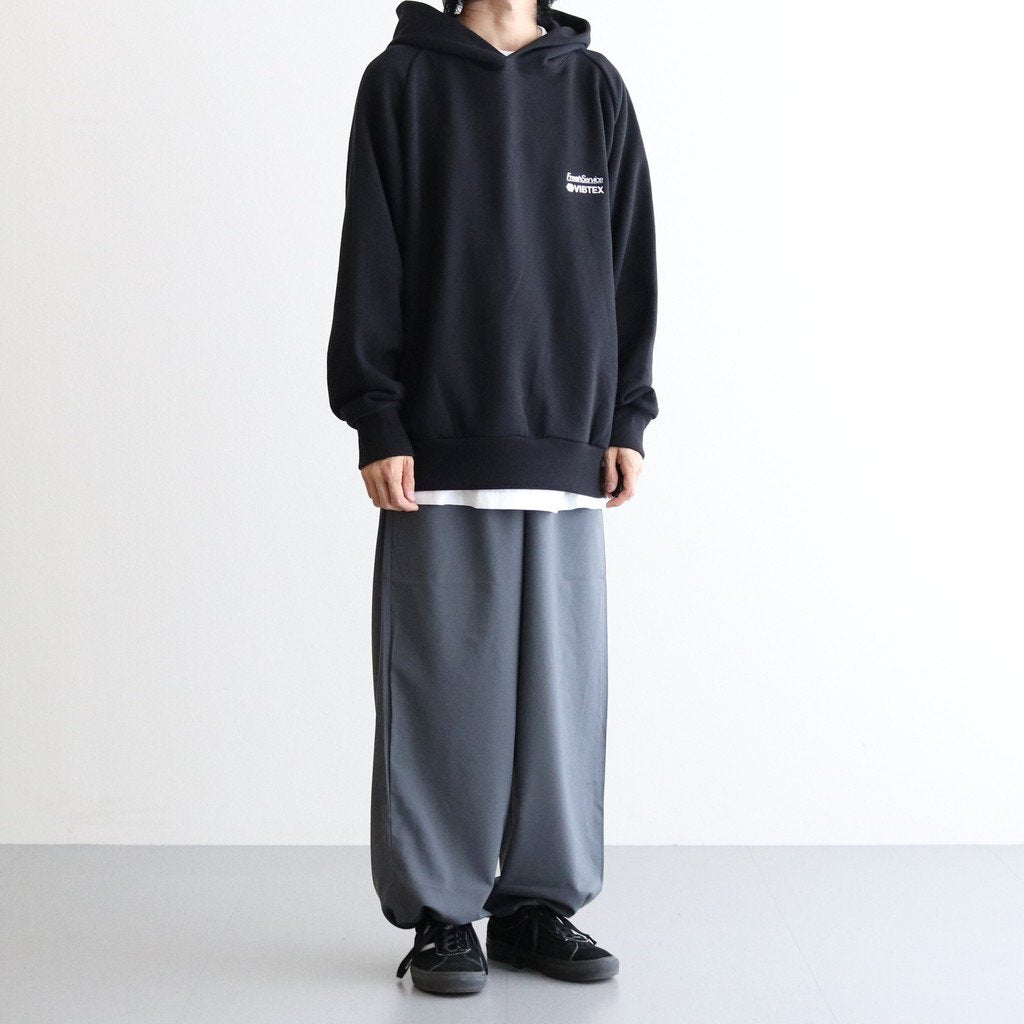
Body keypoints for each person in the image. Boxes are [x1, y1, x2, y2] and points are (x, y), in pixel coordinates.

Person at [326, 0, 658, 996]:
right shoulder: (402, 80)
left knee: (562, 698)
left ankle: (535, 907)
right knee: (443, 689)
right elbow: (371, 254)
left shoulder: (593, 88)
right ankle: (441, 915)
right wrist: (378, 417)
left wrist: (628, 415)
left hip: (568, 445)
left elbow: (629, 260)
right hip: (438, 446)